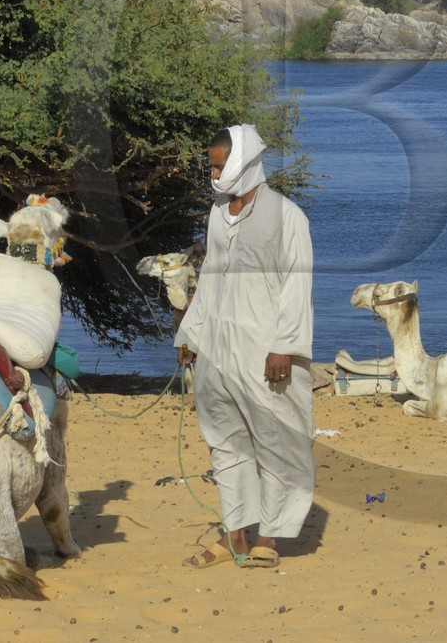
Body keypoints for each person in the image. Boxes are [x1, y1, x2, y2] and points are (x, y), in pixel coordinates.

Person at [174, 124, 314, 570]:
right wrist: (191, 334)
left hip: (264, 352)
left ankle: (268, 537)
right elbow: (210, 277)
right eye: (212, 167)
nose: (214, 176)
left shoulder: (287, 216)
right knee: (225, 442)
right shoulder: (218, 212)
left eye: (220, 167)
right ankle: (234, 533)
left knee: (274, 441)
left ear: (244, 163)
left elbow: (297, 286)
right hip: (217, 349)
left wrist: (284, 347)